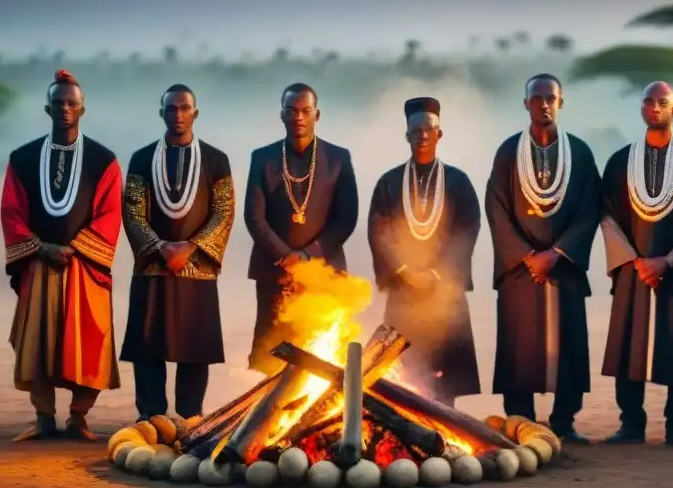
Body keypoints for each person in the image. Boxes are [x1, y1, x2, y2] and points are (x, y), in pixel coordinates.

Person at [1, 70, 123, 441]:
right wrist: (41, 248)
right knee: (37, 341)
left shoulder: (104, 160)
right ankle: (42, 418)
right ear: (47, 108)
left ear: (82, 109)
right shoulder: (22, 158)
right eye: (58, 103)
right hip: (40, 264)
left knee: (91, 341)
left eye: (71, 103)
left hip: (84, 267)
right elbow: (11, 212)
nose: (65, 109)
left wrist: (76, 248)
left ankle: (78, 417)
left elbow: (109, 212)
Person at [485, 73, 601, 443]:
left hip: (562, 269)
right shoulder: (508, 152)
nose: (544, 104)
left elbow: (590, 209)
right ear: (526, 104)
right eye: (537, 98)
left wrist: (558, 253)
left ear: (561, 102)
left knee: (568, 345)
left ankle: (564, 422)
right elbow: (496, 208)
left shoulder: (580, 153)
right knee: (520, 349)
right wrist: (524, 256)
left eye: (551, 98)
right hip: (520, 271)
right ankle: (521, 423)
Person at [599, 81, 673, 447]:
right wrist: (634, 260)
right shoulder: (620, 162)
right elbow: (607, 216)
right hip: (632, 271)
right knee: (627, 345)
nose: (654, 107)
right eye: (648, 101)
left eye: (662, 102)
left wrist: (669, 260)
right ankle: (630, 424)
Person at [120, 84, 234, 421]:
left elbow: (224, 211)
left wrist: (192, 247)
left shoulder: (216, 159)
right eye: (171, 109)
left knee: (195, 347)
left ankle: (190, 416)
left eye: (184, 108)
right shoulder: (142, 158)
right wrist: (160, 248)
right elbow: (132, 212)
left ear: (195, 114)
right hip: (154, 266)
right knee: (148, 344)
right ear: (162, 113)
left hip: (196, 266)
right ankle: (151, 416)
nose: (178, 115)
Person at [367, 97, 481, 406]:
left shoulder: (457, 181)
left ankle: (448, 420)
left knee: (446, 378)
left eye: (429, 129)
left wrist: (436, 272)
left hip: (443, 289)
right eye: (416, 130)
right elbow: (379, 232)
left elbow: (467, 229)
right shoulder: (389, 183)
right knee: (401, 373)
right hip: (404, 289)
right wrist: (404, 272)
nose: (423, 136)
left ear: (439, 134)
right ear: (407, 135)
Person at [244, 83, 359, 374]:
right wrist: (286, 256)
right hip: (274, 270)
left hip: (324, 270)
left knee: (322, 352)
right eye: (292, 111)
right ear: (282, 115)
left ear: (316, 115)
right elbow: (253, 216)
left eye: (305, 111)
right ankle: (266, 414)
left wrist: (308, 256)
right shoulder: (263, 158)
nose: (298, 117)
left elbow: (347, 218)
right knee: (271, 350)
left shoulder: (338, 158)